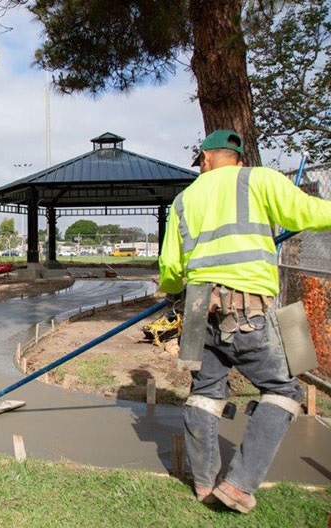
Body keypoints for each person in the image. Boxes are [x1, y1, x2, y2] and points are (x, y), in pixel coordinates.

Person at [158, 129, 331, 513]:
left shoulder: (184, 200)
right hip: (248, 308)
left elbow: (170, 268)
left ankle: (205, 483)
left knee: (205, 393)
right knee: (284, 392)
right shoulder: (262, 180)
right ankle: (238, 485)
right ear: (236, 157)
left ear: (205, 158)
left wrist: (172, 289)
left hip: (199, 309)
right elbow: (310, 213)